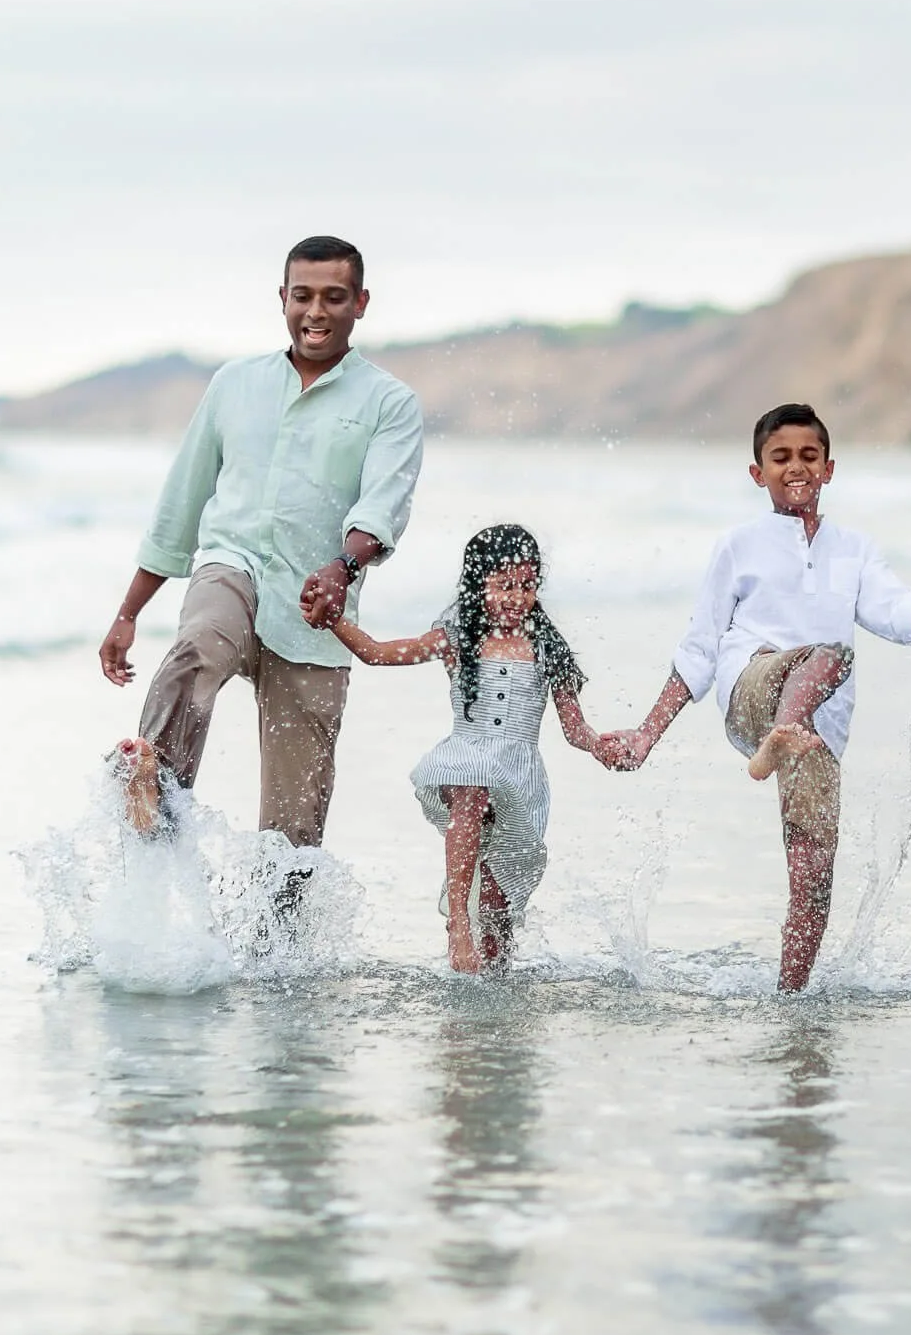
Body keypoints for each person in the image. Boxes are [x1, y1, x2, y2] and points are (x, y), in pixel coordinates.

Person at [97, 235, 425, 904]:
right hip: (233, 563)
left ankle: (279, 964)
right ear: (282, 299)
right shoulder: (234, 385)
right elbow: (181, 504)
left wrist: (341, 565)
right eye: (302, 295)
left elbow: (382, 504)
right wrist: (129, 611)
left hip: (317, 619)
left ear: (360, 303)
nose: (316, 310)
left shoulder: (389, 403)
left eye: (334, 296)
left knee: (293, 835)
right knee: (200, 643)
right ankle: (154, 790)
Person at [603, 403, 911, 992]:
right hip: (754, 689)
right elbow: (699, 646)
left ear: (828, 468)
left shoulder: (855, 549)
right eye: (780, 458)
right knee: (831, 654)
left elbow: (897, 613)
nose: (795, 467)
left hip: (817, 729)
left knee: (815, 870)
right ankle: (777, 735)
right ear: (758, 473)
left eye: (808, 456)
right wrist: (647, 732)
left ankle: (789, 996)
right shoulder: (738, 546)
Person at [320, 524, 613, 973]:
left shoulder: (547, 646)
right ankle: (458, 923)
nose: (518, 597)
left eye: (528, 585)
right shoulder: (459, 635)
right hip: (468, 753)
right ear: (480, 583)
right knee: (470, 787)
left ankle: (496, 978)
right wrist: (333, 621)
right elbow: (379, 653)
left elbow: (575, 729)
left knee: (496, 914)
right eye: (505, 585)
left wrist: (601, 746)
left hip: (520, 777)